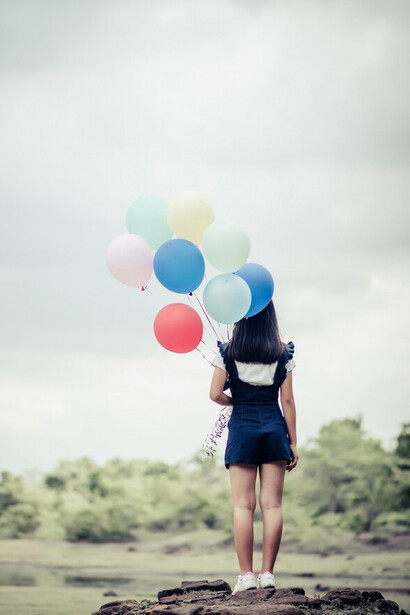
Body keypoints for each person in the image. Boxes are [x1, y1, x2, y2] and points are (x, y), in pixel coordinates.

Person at [209, 300, 298, 595]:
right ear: (270, 315)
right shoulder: (282, 352)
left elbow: (214, 394)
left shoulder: (228, 351)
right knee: (272, 505)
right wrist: (293, 441)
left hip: (243, 428)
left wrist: (235, 402)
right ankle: (268, 574)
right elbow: (287, 401)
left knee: (242, 505)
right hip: (274, 428)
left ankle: (246, 576)